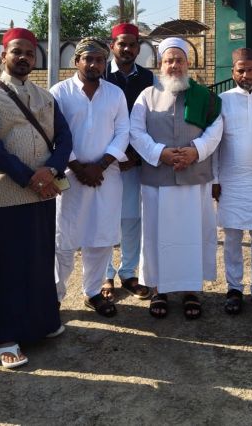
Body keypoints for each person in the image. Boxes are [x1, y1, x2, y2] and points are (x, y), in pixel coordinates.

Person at [0, 27, 72, 369]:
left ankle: (41, 324)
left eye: (30, 53)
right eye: (17, 52)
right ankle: (5, 337)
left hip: (43, 194)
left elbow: (65, 139)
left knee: (39, 261)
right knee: (5, 267)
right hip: (6, 196)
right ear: (3, 55)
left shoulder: (46, 97)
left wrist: (52, 170)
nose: (24, 58)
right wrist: (29, 177)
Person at [129, 37, 223, 319]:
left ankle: (191, 290)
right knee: (157, 236)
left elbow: (216, 129)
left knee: (193, 235)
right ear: (160, 64)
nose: (174, 65)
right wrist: (161, 153)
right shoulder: (147, 95)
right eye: (168, 60)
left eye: (179, 60)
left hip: (195, 179)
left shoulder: (204, 96)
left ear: (187, 63)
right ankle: (159, 290)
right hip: (157, 179)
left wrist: (196, 151)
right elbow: (135, 131)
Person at [50, 37, 129, 317]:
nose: (94, 64)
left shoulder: (115, 94)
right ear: (76, 61)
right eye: (88, 59)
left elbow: (123, 132)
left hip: (107, 177)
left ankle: (93, 292)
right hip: (71, 177)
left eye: (99, 59)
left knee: (101, 237)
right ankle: (54, 296)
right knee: (65, 239)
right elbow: (54, 134)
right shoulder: (59, 92)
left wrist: (101, 165)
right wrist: (80, 167)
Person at [213, 48, 252, 315]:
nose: (245, 75)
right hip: (231, 180)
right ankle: (234, 288)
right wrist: (214, 178)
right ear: (233, 72)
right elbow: (214, 144)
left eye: (250, 69)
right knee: (232, 237)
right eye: (240, 70)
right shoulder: (222, 100)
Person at [104, 22, 155, 301]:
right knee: (105, 217)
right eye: (121, 44)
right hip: (104, 163)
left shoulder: (149, 79)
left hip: (136, 161)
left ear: (139, 48)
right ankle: (105, 274)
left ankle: (128, 272)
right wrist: (114, 155)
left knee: (132, 218)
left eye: (132, 44)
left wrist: (134, 155)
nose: (127, 49)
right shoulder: (100, 74)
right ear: (112, 46)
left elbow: (152, 119)